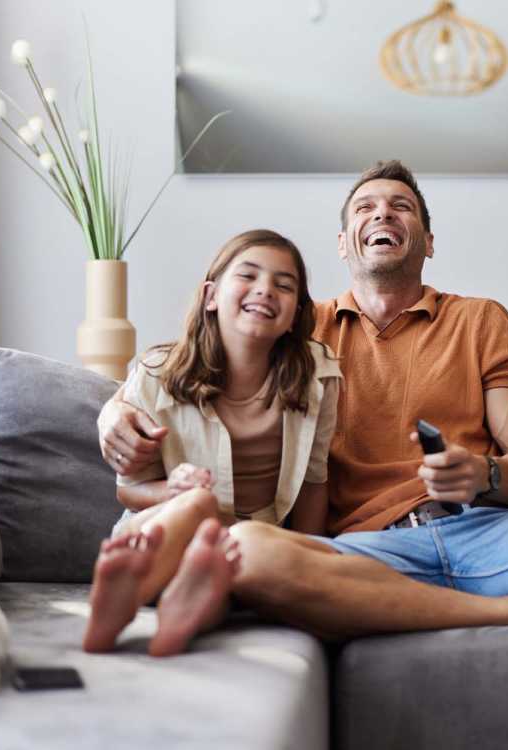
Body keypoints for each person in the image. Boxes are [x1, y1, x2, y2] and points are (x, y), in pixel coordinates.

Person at [99, 161, 508, 750]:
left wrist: (482, 473)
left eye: (401, 207)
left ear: (428, 240)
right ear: (342, 243)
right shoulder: (296, 328)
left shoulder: (480, 319)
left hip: (488, 531)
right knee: (247, 552)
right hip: (366, 550)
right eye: (364, 208)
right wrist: (111, 413)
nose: (382, 214)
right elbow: (194, 366)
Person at [83, 229, 343, 656]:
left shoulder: (319, 377)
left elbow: (315, 480)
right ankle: (129, 592)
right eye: (249, 276)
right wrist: (177, 490)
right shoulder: (157, 373)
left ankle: (190, 606)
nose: (265, 290)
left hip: (248, 539)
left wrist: (309, 553)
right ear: (210, 296)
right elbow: (127, 487)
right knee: (199, 506)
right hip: (161, 532)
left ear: (295, 314)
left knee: (229, 554)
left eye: (284, 285)